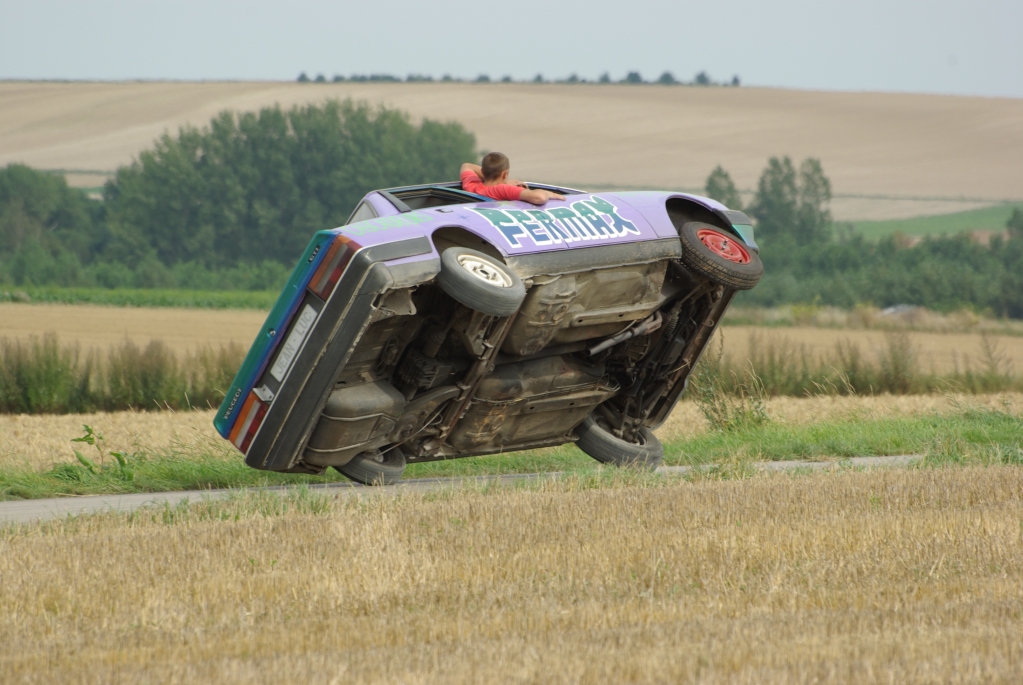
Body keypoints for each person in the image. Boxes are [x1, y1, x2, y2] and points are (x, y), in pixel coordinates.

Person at [460, 152, 565, 205]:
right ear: (505, 174)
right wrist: (550, 194)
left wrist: (495, 177)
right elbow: (539, 197)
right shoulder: (501, 190)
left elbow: (467, 166)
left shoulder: (471, 185)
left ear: (482, 171)